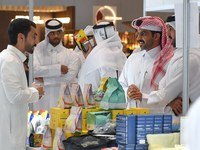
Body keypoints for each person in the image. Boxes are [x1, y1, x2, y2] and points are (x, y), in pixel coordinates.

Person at [0, 18, 44, 150]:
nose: (36, 41)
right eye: (33, 36)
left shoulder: (12, 59)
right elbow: (15, 96)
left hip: (13, 133)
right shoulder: (10, 60)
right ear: (21, 37)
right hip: (10, 137)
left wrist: (29, 89)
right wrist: (36, 92)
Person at [147, 15, 200, 121]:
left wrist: (152, 95)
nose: (167, 33)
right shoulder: (179, 55)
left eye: (171, 28)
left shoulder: (190, 59)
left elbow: (166, 93)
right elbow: (162, 87)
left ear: (182, 31)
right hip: (176, 121)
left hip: (187, 122)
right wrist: (169, 101)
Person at [119, 16, 173, 111]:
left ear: (156, 36)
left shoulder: (167, 62)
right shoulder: (133, 58)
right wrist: (128, 91)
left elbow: (168, 95)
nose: (138, 38)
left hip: (154, 119)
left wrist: (142, 97)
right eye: (138, 34)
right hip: (130, 116)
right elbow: (121, 84)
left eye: (143, 34)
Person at [33, 19, 79, 111]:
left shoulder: (71, 55)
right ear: (47, 34)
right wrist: (58, 69)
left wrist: (45, 79)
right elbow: (35, 71)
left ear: (62, 32)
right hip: (42, 101)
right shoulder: (38, 50)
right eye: (52, 33)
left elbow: (69, 78)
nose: (56, 36)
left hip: (62, 101)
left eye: (59, 32)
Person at [78, 21, 127, 92]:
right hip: (120, 99)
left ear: (98, 36)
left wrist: (88, 59)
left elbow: (86, 80)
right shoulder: (121, 55)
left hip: (97, 100)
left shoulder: (97, 55)